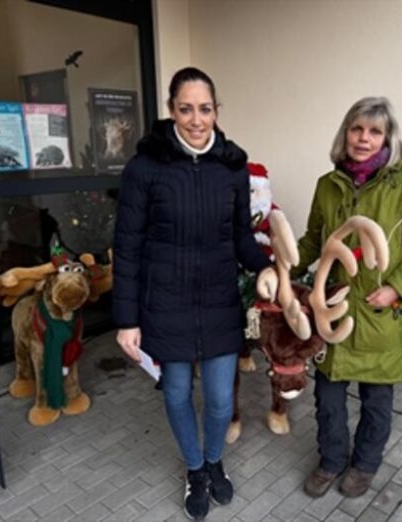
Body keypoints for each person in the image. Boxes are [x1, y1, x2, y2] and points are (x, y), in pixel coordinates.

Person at [112, 66, 277, 521]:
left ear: (216, 111)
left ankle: (214, 459)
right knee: (177, 393)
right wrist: (127, 320)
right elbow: (126, 248)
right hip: (165, 302)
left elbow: (242, 237)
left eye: (205, 109)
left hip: (220, 301)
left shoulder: (232, 167)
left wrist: (264, 267)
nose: (196, 119)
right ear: (171, 111)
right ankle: (195, 469)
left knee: (222, 399)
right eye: (186, 109)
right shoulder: (145, 169)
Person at [292, 96, 402, 498]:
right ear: (345, 133)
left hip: (381, 314)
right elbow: (313, 240)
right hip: (335, 312)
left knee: (376, 400)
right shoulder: (328, 185)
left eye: (374, 131)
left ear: (388, 138)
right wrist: (283, 270)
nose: (363, 138)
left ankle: (365, 465)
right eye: (357, 128)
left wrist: (395, 288)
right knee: (327, 398)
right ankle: (332, 460)